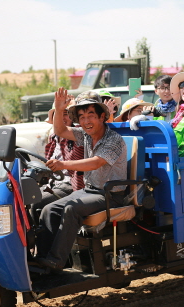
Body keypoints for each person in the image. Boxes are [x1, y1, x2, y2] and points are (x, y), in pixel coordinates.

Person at [35, 87, 127, 272]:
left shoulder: (114, 140)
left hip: (110, 194)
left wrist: (63, 165)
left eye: (91, 115)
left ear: (102, 116)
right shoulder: (85, 135)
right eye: (82, 117)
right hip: (91, 191)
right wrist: (59, 109)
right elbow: (60, 130)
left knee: (71, 209)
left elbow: (95, 163)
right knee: (48, 209)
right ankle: (43, 260)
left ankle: (56, 261)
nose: (86, 121)